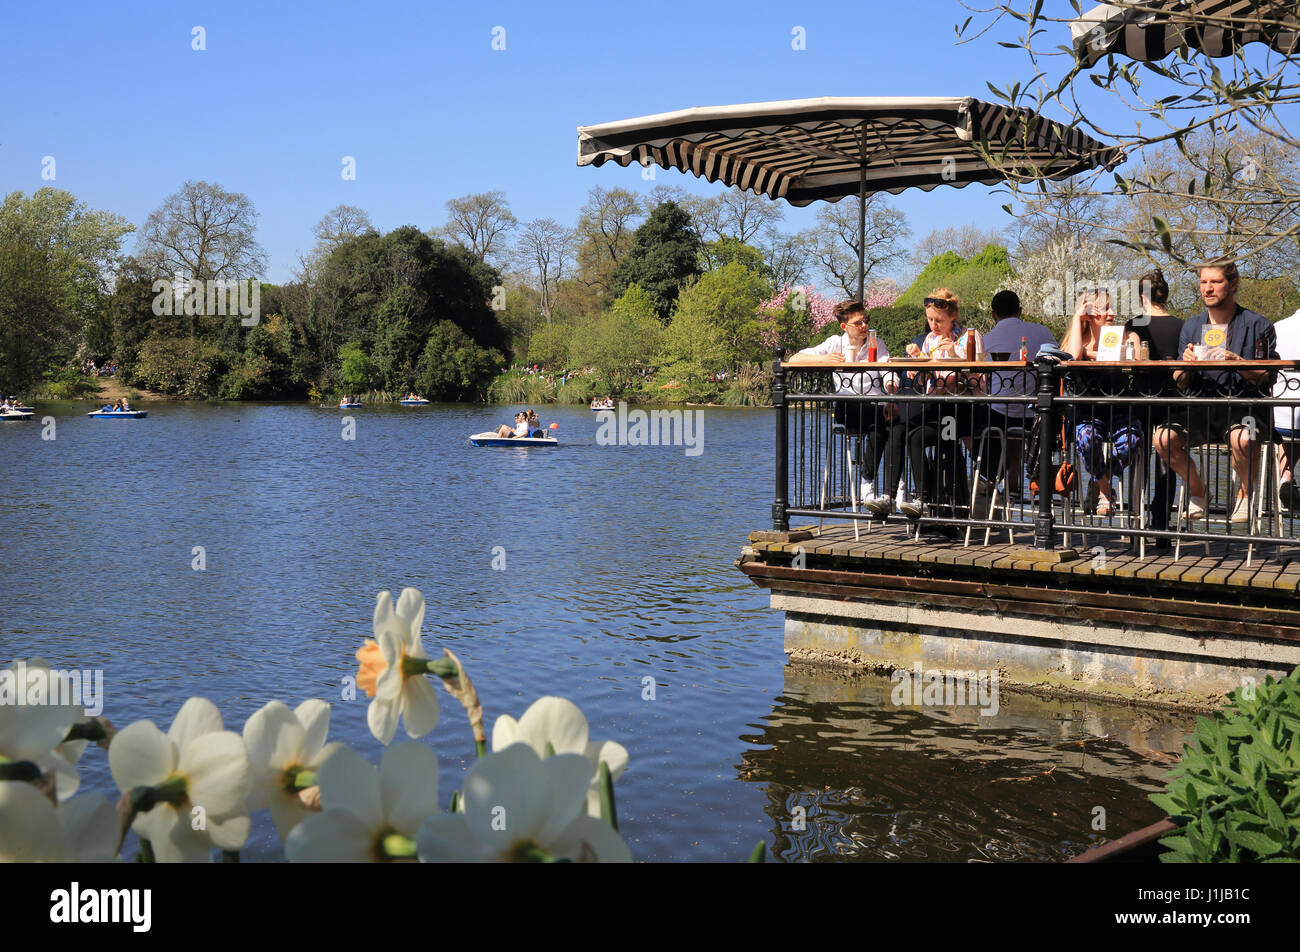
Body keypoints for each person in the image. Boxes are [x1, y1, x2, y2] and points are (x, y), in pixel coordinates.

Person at [1153, 260, 1277, 524]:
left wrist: (1237, 362)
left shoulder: (1259, 325)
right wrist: (1184, 365)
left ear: (1232, 285)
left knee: (1244, 438)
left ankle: (1245, 496)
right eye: (1203, 282)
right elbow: (1179, 383)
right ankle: (1198, 490)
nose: (1207, 289)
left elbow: (1267, 378)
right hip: (1199, 407)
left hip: (1244, 408)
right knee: (1162, 438)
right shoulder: (1191, 327)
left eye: (1215, 282)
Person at [787, 300, 904, 516]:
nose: (864, 326)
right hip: (848, 406)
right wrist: (824, 360)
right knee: (883, 421)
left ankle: (888, 493)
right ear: (844, 327)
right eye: (858, 323)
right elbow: (794, 358)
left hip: (877, 407)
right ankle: (874, 486)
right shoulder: (834, 343)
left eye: (865, 321)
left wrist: (891, 389)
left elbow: (887, 369)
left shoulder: (875, 343)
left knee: (894, 426)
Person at [898, 289, 985, 529]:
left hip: (964, 409)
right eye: (930, 320)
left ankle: (941, 505)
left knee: (937, 440)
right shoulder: (930, 340)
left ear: (953, 317)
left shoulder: (969, 336)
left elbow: (978, 373)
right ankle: (926, 500)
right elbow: (925, 373)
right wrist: (916, 363)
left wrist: (955, 354)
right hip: (937, 408)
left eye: (939, 320)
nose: (933, 325)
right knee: (912, 436)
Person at [1061, 289, 1143, 515]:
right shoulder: (1077, 339)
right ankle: (1107, 492)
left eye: (1112, 307)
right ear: (1088, 312)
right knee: (1086, 438)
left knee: (1132, 441)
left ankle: (1098, 480)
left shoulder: (1129, 337)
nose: (1111, 313)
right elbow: (1072, 357)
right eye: (1104, 308)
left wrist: (1095, 355)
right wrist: (1078, 319)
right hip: (1087, 412)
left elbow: (1137, 363)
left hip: (1120, 411)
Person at [974, 290, 1058, 501]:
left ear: (993, 314)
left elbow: (979, 380)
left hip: (998, 415)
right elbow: (1057, 355)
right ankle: (1014, 484)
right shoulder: (1040, 332)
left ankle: (991, 478)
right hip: (1036, 414)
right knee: (1015, 418)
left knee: (991, 413)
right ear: (1020, 310)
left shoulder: (986, 340)